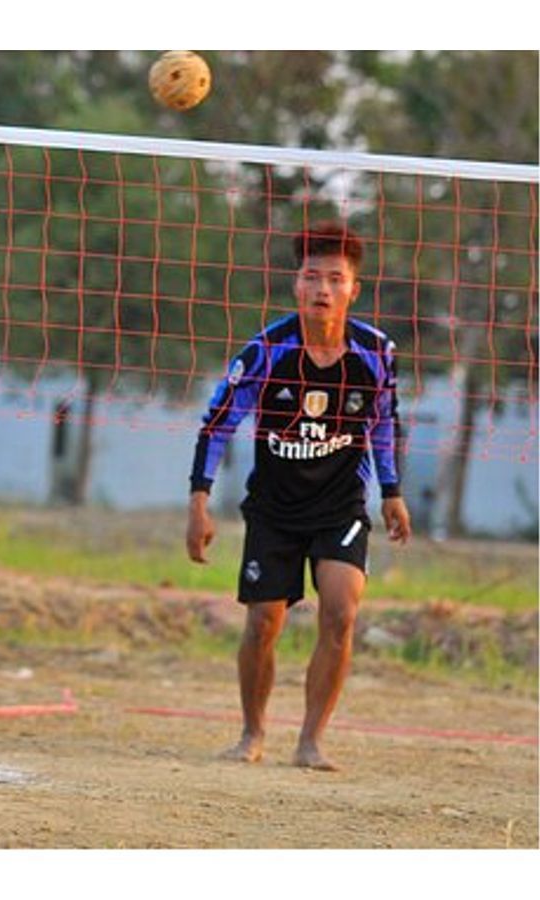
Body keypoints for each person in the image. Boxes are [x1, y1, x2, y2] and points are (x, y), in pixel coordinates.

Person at [185, 222, 412, 771]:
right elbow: (216, 426)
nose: (323, 289)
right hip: (275, 508)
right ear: (296, 284)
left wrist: (392, 491)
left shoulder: (377, 353)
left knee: (341, 613)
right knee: (264, 622)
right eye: (313, 276)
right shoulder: (266, 351)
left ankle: (311, 741)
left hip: (340, 507)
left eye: (336, 278)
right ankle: (251, 734)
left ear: (353, 289)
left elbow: (384, 423)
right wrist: (199, 501)